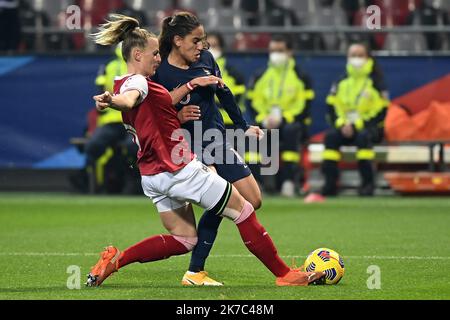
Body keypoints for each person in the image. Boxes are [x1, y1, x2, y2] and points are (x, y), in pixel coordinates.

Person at [86, 14, 324, 288]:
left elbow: (145, 103)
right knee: (243, 210)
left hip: (152, 177)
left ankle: (117, 259)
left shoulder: (125, 80)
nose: (158, 58)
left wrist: (187, 88)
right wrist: (113, 101)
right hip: (179, 170)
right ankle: (285, 275)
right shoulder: (138, 83)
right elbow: (130, 99)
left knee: (185, 238)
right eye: (154, 54)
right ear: (138, 54)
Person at [153, 12, 266, 286]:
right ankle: (195, 271)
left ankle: (196, 269)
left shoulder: (206, 59)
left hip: (216, 139)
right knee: (221, 198)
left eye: (203, 39)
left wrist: (242, 125)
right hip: (186, 145)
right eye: (196, 40)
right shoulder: (160, 71)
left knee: (253, 200)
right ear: (178, 41)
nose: (202, 45)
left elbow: (223, 92)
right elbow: (154, 112)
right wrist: (178, 117)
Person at [306, 43, 389, 202]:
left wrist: (358, 124)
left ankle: (367, 184)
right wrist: (342, 124)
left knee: (363, 138)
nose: (356, 59)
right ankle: (330, 185)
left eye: (360, 55)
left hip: (369, 127)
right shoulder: (341, 81)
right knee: (330, 138)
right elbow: (332, 107)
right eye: (353, 55)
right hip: (344, 127)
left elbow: (382, 111)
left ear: (367, 57)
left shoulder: (377, 82)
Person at [246, 34, 314, 197]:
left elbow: (304, 106)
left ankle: (288, 182)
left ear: (289, 52)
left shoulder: (301, 76)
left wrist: (284, 118)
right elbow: (252, 102)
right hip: (266, 121)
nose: (276, 54)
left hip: (291, 122)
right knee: (250, 135)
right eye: (273, 50)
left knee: (291, 131)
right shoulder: (260, 74)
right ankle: (256, 183)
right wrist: (263, 118)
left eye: (280, 50)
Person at [84, 43, 139, 194]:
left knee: (132, 147)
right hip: (111, 120)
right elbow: (100, 91)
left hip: (133, 121)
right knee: (92, 146)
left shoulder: (139, 66)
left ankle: (135, 182)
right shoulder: (108, 65)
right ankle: (94, 184)